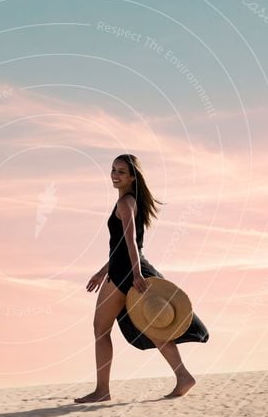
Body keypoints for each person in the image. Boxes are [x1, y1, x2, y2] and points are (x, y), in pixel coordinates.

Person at [75, 154, 209, 403]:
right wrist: (102, 271)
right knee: (152, 325)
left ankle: (102, 391)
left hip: (125, 273)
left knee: (100, 329)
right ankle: (183, 376)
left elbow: (130, 244)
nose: (115, 175)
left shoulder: (125, 203)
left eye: (122, 172)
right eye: (113, 170)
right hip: (124, 269)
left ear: (132, 177)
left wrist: (135, 274)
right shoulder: (131, 201)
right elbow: (123, 247)